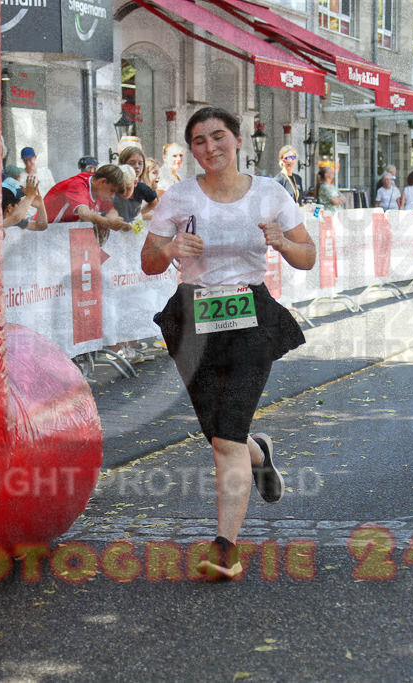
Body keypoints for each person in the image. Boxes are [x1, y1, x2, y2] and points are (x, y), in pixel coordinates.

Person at [141, 106, 316, 580]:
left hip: (249, 317)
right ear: (191, 149)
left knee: (224, 437)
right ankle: (257, 452)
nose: (209, 147)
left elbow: (307, 256)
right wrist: (170, 249)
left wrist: (282, 242)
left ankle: (226, 549)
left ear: (237, 140)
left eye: (218, 137)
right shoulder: (177, 197)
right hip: (193, 318)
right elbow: (148, 262)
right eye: (198, 141)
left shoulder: (269, 193)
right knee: (221, 436)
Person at [43, 164, 132, 237]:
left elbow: (113, 209)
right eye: (112, 191)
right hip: (44, 233)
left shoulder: (99, 188)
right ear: (102, 182)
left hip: (61, 235)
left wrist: (109, 220)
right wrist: (108, 222)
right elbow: (84, 214)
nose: (112, 196)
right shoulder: (78, 185)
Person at [111, 146, 159, 222]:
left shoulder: (141, 187)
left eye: (140, 163)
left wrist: (138, 215)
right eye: (132, 163)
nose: (137, 166)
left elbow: (153, 202)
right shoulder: (114, 184)